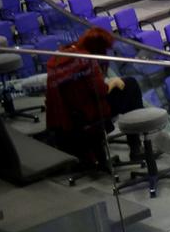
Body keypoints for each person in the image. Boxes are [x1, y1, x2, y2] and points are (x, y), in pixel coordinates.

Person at [45, 27, 143, 169]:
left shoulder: (60, 56)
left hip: (69, 118)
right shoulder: (87, 60)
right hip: (91, 114)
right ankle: (136, 147)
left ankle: (130, 145)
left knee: (126, 87)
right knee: (131, 86)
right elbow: (101, 91)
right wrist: (113, 82)